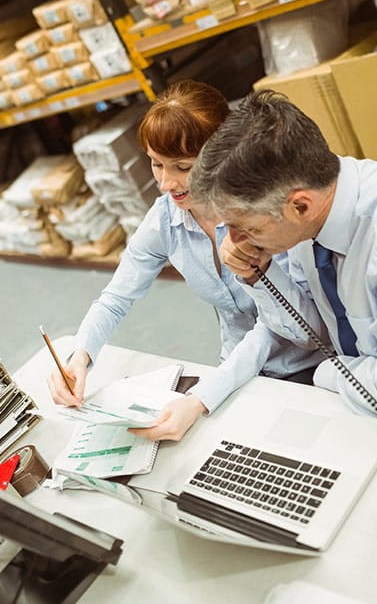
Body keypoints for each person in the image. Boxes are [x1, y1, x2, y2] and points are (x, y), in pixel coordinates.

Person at [47, 81, 325, 441]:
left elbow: (272, 329)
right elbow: (117, 296)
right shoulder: (166, 218)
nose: (165, 183)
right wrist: (80, 356)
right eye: (156, 164)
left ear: (222, 154)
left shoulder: (263, 213)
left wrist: (200, 399)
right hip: (235, 368)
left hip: (304, 365)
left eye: (182, 166)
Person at [188, 89, 377, 425]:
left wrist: (326, 371)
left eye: (245, 228)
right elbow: (315, 332)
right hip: (365, 401)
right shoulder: (314, 210)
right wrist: (260, 274)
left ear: (300, 206)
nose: (234, 241)